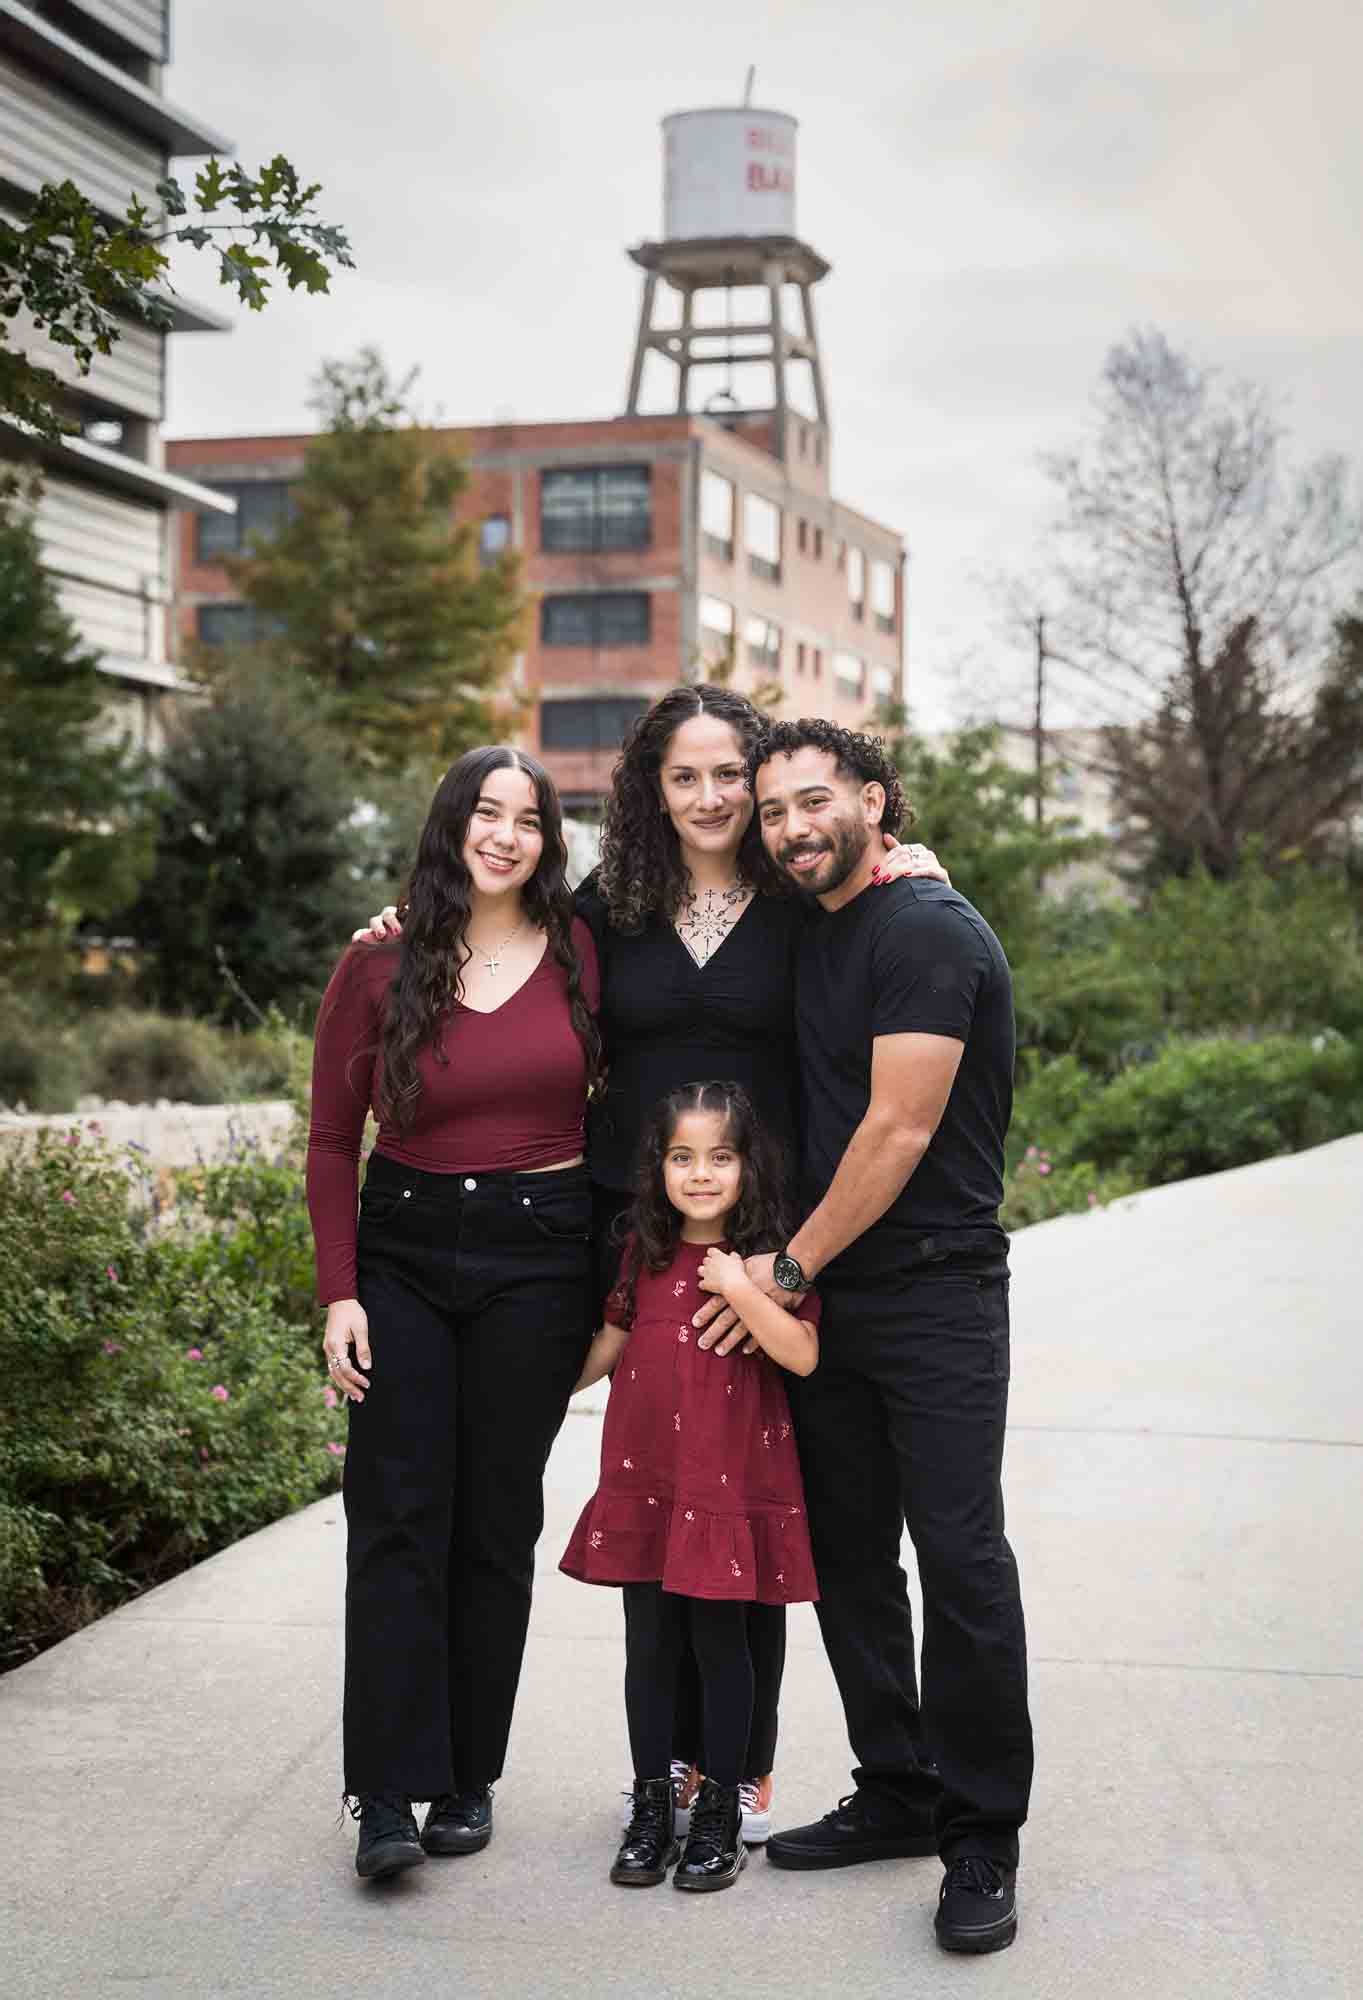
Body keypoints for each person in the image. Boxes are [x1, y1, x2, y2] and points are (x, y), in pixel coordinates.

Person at [354, 683, 951, 1844]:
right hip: (620, 1230)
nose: (715, 795)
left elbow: (878, 903)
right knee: (637, 1485)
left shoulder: (805, 898)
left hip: (767, 1242)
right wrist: (394, 925)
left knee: (750, 1493)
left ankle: (726, 1772)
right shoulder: (609, 906)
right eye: (686, 774)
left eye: (734, 772)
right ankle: (621, 1765)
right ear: (652, 788)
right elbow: (494, 923)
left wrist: (906, 855)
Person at [694, 718, 1033, 1955]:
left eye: (812, 801)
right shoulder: (816, 925)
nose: (788, 824)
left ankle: (982, 1832)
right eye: (772, 806)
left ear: (873, 803)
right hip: (833, 1302)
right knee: (846, 1556)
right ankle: (897, 1784)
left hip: (934, 1291)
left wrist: (782, 1269)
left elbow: (895, 1130)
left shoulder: (928, 929)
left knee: (958, 1558)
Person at [309, 745, 601, 1881]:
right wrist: (340, 1288)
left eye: (530, 817)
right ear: (452, 825)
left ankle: (467, 1772)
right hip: (407, 1253)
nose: (507, 833)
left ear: (548, 839)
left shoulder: (584, 950)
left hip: (539, 1256)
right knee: (394, 1515)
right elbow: (336, 1141)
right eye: (487, 811)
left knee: (494, 1521)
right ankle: (384, 1789)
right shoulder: (381, 963)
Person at [562, 1081, 821, 1893]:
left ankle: (716, 1811)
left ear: (748, 1166)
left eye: (719, 1156)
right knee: (649, 1645)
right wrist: (525, 1397)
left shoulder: (768, 1259)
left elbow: (802, 1354)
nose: (700, 1173)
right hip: (647, 1480)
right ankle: (649, 1804)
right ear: (657, 1167)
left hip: (725, 1489)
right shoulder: (641, 1251)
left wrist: (743, 1287)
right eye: (682, 1156)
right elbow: (609, 1341)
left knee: (721, 1643)